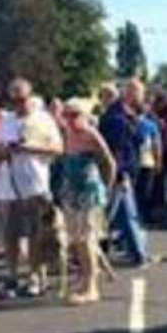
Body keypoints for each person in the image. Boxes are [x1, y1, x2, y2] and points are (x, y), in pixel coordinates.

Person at [0, 78, 64, 298]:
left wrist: (30, 147)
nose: (18, 103)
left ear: (30, 96)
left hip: (35, 186)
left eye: (22, 98)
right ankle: (12, 276)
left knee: (36, 235)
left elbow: (58, 148)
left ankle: (35, 276)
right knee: (10, 235)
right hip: (8, 187)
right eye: (14, 99)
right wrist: (6, 150)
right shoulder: (6, 121)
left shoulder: (43, 119)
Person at [55, 98, 117, 304]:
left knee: (88, 239)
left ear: (84, 115)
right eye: (67, 115)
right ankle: (85, 279)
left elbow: (109, 161)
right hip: (71, 192)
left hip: (89, 192)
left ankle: (92, 287)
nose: (70, 119)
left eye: (75, 115)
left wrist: (107, 189)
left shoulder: (91, 134)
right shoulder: (67, 134)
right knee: (77, 240)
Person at [100, 79, 155, 267]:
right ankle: (139, 255)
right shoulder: (117, 117)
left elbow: (137, 140)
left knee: (123, 215)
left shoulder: (125, 114)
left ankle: (137, 252)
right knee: (126, 214)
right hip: (119, 172)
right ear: (129, 93)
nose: (143, 97)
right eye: (140, 92)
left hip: (124, 170)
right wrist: (121, 173)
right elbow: (118, 149)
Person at [135, 103, 163, 225]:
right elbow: (157, 145)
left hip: (136, 162)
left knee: (137, 190)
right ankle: (145, 215)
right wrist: (158, 161)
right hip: (147, 161)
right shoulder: (151, 125)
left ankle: (137, 215)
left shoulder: (131, 124)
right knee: (146, 191)